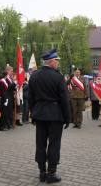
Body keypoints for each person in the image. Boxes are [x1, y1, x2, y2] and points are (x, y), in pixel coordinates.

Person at [29, 49, 70, 184]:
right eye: (56, 61)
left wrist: (33, 114)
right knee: (54, 144)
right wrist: (67, 117)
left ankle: (42, 172)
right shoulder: (58, 77)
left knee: (40, 143)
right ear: (51, 62)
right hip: (55, 114)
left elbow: (31, 98)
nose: (57, 63)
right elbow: (64, 99)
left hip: (40, 114)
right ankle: (51, 173)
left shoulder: (34, 76)